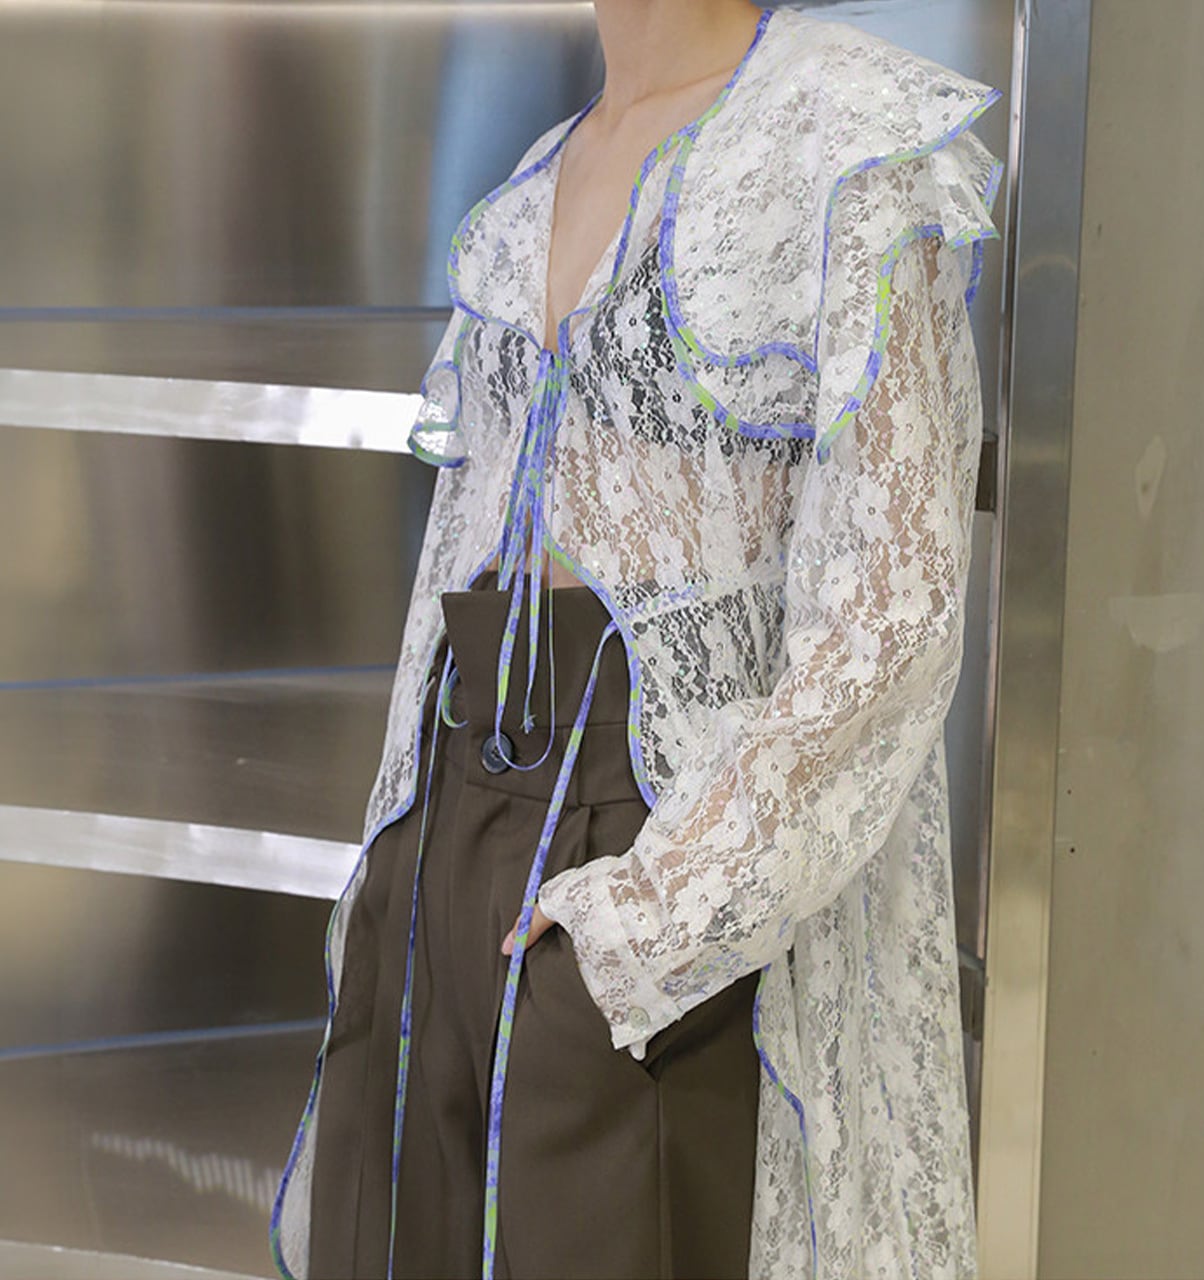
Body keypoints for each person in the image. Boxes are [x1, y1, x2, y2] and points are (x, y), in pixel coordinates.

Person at [271, 3, 1005, 1278]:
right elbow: (457, 546)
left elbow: (890, 610)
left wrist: (653, 921)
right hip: (447, 817)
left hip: (657, 847)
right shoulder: (533, 176)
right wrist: (394, 869)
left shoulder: (852, 145)